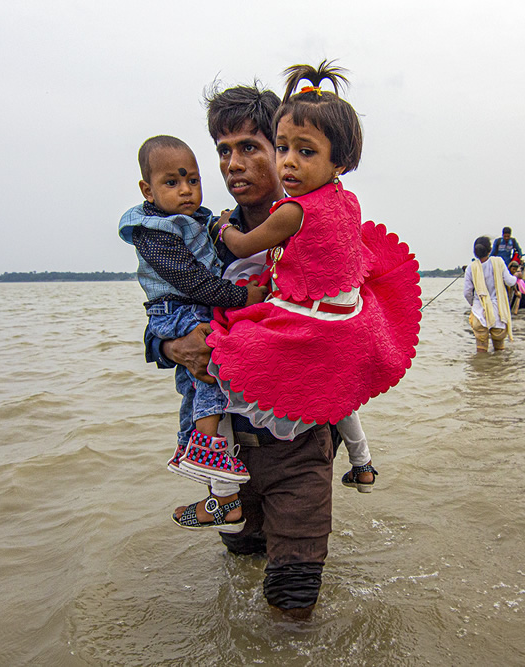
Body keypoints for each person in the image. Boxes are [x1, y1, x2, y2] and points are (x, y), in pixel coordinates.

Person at [146, 70, 419, 616]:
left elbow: (361, 327)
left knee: (291, 605)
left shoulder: (329, 233)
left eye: (250, 146)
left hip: (301, 449)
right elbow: (159, 322)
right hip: (230, 454)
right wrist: (174, 347)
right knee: (241, 574)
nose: (232, 164)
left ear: (285, 150)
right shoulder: (199, 240)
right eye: (223, 150)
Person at [118, 136, 270, 532]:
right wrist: (171, 346)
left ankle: (202, 461)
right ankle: (209, 461)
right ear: (147, 191)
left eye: (192, 180)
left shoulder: (221, 223)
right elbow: (189, 286)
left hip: (289, 440)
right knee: (206, 374)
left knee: (199, 382)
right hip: (181, 312)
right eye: (173, 183)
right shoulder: (158, 230)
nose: (186, 190)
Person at [464, 236, 517, 352]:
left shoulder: (471, 268)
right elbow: (510, 281)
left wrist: (475, 304)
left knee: (481, 351)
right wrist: (516, 277)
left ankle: (481, 370)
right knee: (499, 352)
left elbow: (467, 292)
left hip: (479, 313)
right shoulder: (499, 262)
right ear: (490, 250)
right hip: (498, 313)